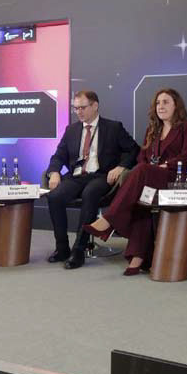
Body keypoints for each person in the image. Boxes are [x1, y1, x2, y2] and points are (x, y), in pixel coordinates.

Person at [84, 88, 187, 275]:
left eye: (166, 102)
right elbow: (142, 157)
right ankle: (137, 256)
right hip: (152, 178)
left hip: (177, 178)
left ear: (176, 105)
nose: (160, 106)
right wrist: (151, 167)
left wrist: (164, 165)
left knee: (142, 172)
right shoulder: (153, 130)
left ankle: (109, 219)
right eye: (158, 103)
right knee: (140, 197)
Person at [44, 90, 139, 268]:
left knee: (90, 193)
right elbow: (58, 156)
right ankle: (62, 248)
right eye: (76, 108)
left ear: (95, 106)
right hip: (77, 176)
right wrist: (54, 172)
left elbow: (134, 150)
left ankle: (79, 250)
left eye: (82, 107)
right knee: (54, 197)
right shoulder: (71, 130)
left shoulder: (113, 127)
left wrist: (121, 167)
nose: (78, 112)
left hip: (101, 176)